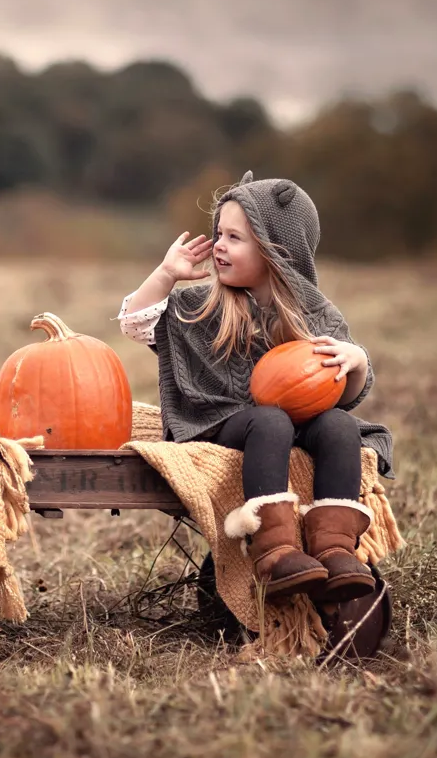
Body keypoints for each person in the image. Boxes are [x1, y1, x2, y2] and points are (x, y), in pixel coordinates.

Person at [116, 171, 394, 604]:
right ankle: (274, 550)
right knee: (269, 422)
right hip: (224, 419)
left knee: (340, 425)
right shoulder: (202, 302)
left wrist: (355, 361)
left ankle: (336, 547)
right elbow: (136, 322)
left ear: (275, 250)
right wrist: (167, 275)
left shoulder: (314, 312)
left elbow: (348, 390)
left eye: (234, 237)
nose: (219, 245)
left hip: (301, 420)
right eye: (218, 233)